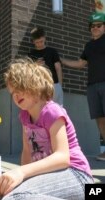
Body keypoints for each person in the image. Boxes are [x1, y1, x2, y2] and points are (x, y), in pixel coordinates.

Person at [0, 58, 93, 200]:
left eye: (19, 88)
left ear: (34, 85)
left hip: (76, 174)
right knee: (1, 195)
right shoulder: (24, 117)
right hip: (50, 176)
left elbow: (63, 158)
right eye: (12, 93)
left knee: (16, 197)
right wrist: (20, 179)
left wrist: (21, 172)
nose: (16, 96)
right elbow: (27, 152)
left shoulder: (51, 111)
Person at [61, 12, 105, 161]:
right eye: (92, 26)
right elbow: (80, 63)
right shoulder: (89, 46)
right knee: (100, 118)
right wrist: (61, 60)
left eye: (99, 25)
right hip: (92, 86)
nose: (95, 28)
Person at [28, 27, 63, 106]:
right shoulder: (31, 54)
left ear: (44, 38)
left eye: (41, 41)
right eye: (37, 42)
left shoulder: (52, 51)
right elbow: (28, 72)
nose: (40, 44)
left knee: (57, 111)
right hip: (38, 87)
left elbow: (58, 68)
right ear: (33, 42)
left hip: (54, 85)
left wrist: (59, 85)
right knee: (41, 112)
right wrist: (35, 65)